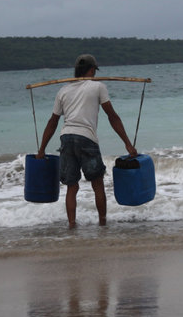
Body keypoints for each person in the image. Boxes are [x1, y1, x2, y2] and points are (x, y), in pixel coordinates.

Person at [37, 54, 138, 228]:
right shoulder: (98, 87)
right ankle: (103, 224)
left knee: (72, 186)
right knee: (97, 183)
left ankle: (71, 225)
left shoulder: (63, 91)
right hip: (86, 138)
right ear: (91, 70)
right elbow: (112, 116)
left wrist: (41, 149)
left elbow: (52, 122)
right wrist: (127, 143)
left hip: (66, 137)